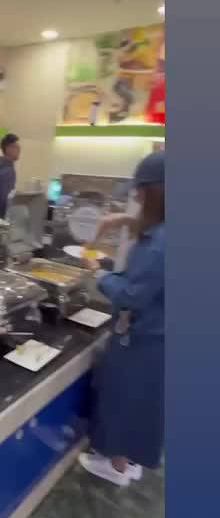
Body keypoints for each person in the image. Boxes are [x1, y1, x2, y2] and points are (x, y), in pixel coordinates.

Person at [79, 150, 165, 486]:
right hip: (159, 335)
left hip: (143, 337)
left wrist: (97, 272)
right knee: (143, 403)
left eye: (139, 193)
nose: (136, 199)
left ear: (153, 192)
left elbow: (131, 295)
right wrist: (123, 220)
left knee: (123, 399)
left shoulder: (160, 244)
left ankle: (115, 467)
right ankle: (130, 459)